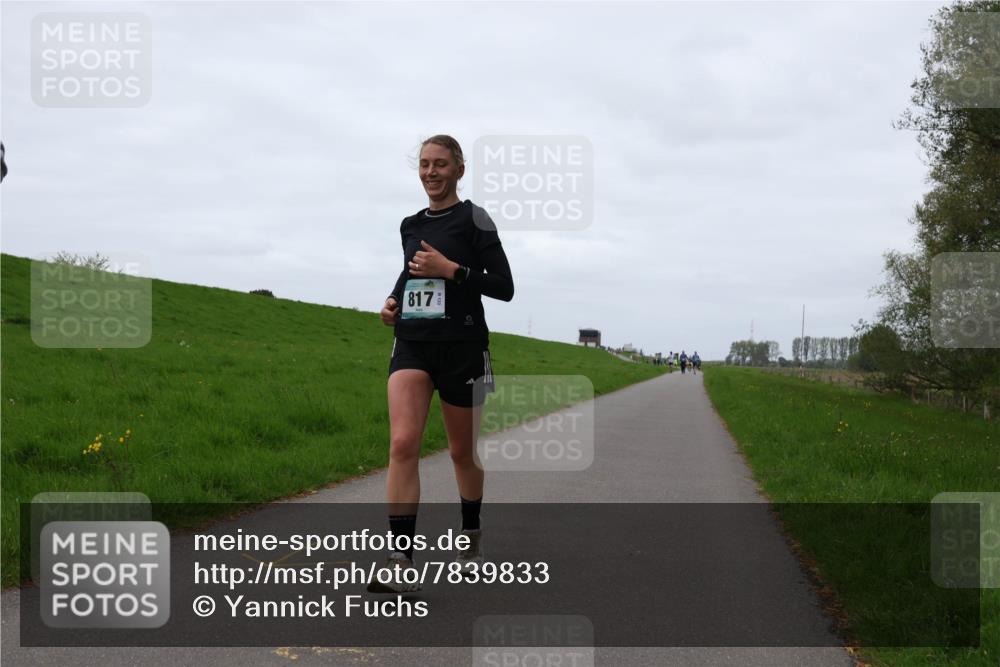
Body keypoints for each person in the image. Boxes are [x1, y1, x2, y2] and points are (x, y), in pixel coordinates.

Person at [369, 135, 514, 593]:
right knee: (402, 442)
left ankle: (470, 536)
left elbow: (504, 286)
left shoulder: (476, 218)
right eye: (425, 164)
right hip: (413, 341)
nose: (431, 172)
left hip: (463, 346)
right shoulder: (409, 223)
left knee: (461, 452)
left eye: (441, 164)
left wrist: (451, 269)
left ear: (459, 170)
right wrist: (393, 300)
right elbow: (412, 270)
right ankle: (399, 560)